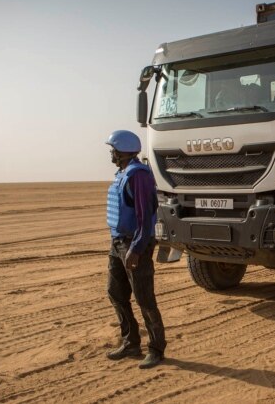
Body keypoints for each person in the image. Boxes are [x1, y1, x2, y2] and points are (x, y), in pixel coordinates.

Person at [104, 130, 166, 369]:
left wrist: (137, 249)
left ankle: (157, 348)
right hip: (118, 242)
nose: (111, 152)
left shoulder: (138, 175)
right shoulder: (122, 173)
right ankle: (131, 342)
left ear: (122, 150)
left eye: (113, 149)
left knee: (144, 298)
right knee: (115, 292)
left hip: (134, 244)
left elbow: (146, 217)